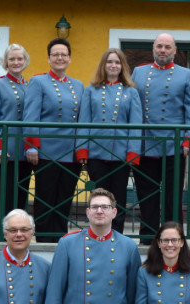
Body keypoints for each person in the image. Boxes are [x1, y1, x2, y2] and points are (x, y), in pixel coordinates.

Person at [130, 33, 190, 245]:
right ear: (153, 48)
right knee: (146, 195)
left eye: (167, 47)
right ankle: (147, 237)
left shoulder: (186, 74)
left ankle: (174, 237)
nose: (163, 50)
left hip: (173, 145)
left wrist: (189, 139)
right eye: (159, 46)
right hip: (145, 144)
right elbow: (132, 105)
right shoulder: (138, 72)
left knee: (173, 196)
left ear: (175, 50)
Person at [24, 38, 85, 243]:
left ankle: (60, 240)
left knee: (65, 199)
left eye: (64, 54)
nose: (60, 58)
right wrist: (32, 145)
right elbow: (31, 115)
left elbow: (81, 120)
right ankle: (43, 239)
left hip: (71, 152)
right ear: (48, 58)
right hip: (47, 152)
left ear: (69, 58)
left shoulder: (78, 85)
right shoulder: (38, 81)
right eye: (56, 54)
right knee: (45, 198)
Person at [77, 48, 142, 234]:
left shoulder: (131, 92)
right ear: (103, 65)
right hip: (97, 152)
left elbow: (135, 125)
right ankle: (97, 232)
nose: (113, 65)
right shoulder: (91, 91)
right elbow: (84, 122)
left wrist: (133, 152)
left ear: (123, 66)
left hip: (121, 154)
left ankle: (117, 235)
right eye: (109, 62)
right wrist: (82, 150)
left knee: (119, 199)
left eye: (117, 62)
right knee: (98, 198)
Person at [0, 44, 38, 230]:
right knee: (5, 196)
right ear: (5, 62)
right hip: (6, 151)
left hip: (25, 151)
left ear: (25, 61)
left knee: (21, 196)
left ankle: (19, 232)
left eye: (19, 59)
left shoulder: (30, 85)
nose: (16, 62)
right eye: (12, 59)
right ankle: (2, 234)